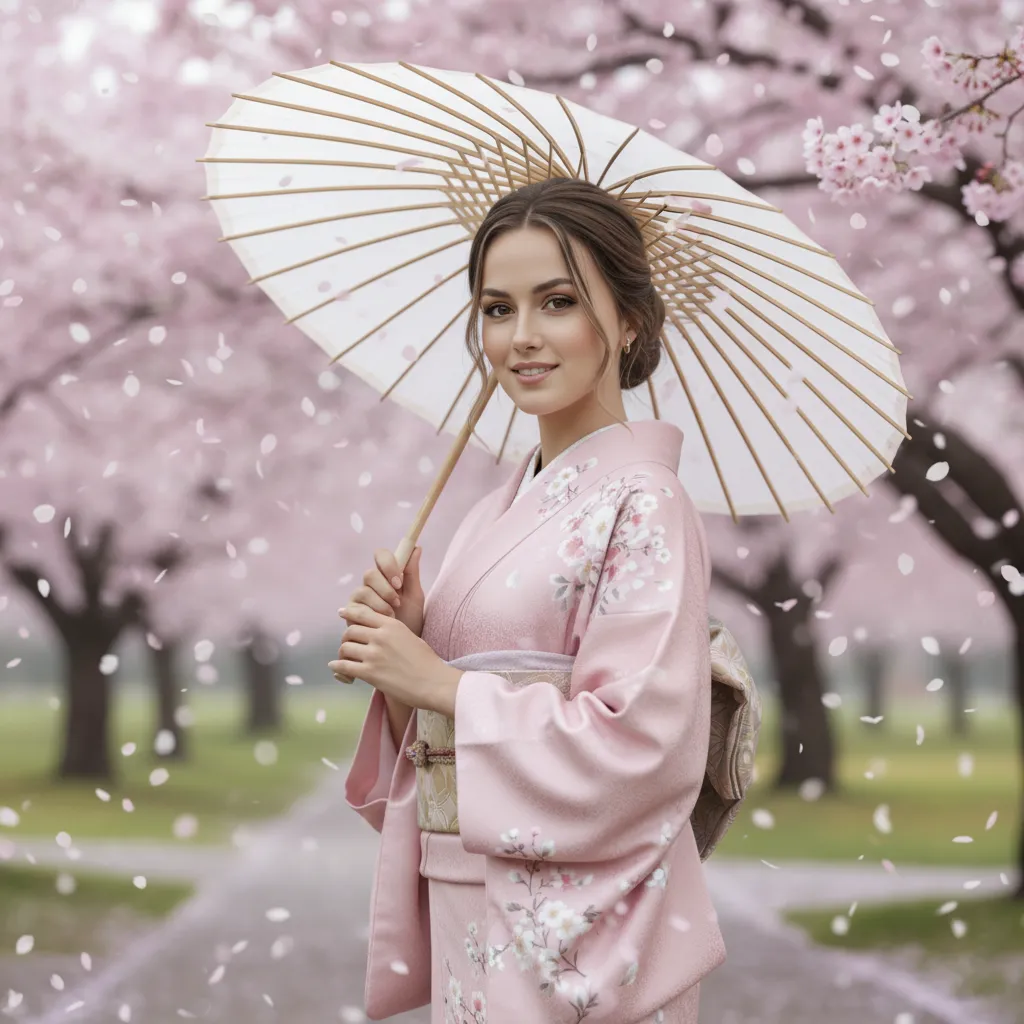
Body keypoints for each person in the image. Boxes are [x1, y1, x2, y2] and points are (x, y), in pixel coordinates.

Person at [335, 177, 726, 1023]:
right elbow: (434, 755)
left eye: (556, 302)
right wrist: (410, 656)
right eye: (495, 309)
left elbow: (645, 748)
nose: (521, 338)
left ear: (629, 320)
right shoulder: (488, 510)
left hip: (582, 925)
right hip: (472, 899)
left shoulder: (645, 501)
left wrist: (442, 685)